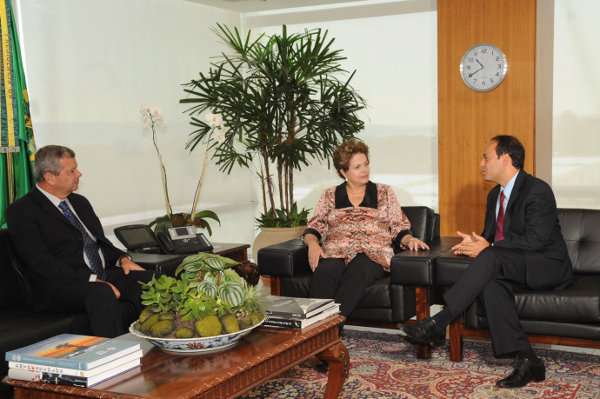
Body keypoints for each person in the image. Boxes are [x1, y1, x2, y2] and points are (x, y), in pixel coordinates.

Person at [403, 135, 573, 388]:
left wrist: (489, 247)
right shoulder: (495, 195)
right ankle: (527, 360)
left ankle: (439, 323)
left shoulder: (537, 190)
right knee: (491, 281)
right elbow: (492, 237)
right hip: (511, 264)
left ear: (505, 159)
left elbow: (536, 240)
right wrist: (475, 243)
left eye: (486, 157)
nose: (481, 163)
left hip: (546, 265)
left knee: (491, 257)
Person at [7, 145, 153, 338]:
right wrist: (92, 280)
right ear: (50, 177)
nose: (79, 173)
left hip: (99, 274)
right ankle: (113, 356)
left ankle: (154, 344)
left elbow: (99, 243)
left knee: (148, 279)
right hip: (59, 285)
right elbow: (40, 263)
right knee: (100, 293)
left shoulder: (80, 202)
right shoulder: (23, 211)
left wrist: (123, 259)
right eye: (72, 171)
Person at [304, 139, 429, 319]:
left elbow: (398, 225)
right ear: (343, 172)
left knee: (360, 269)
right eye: (357, 167)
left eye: (366, 164)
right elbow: (315, 226)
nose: (364, 170)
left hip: (373, 254)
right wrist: (313, 244)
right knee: (325, 271)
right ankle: (313, 331)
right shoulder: (330, 195)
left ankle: (332, 327)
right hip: (336, 252)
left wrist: (409, 239)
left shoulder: (384, 192)